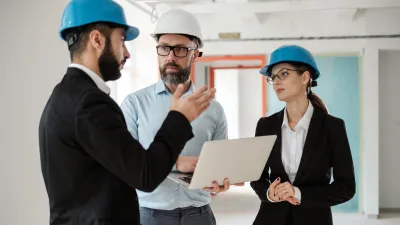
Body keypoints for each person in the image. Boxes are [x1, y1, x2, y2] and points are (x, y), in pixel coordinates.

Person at [38, 1, 216, 225]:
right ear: (97, 40)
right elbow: (145, 174)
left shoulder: (65, 95)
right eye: (121, 40)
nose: (127, 53)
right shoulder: (89, 103)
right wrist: (179, 118)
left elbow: (128, 166)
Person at [120, 9, 242, 225]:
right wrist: (177, 163)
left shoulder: (213, 109)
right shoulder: (135, 104)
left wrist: (221, 183)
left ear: (195, 54)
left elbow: (220, 165)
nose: (170, 57)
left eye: (180, 50)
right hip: (150, 215)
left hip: (200, 214)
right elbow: (126, 165)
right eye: (164, 48)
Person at [250, 45, 356, 225]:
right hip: (270, 218)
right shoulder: (265, 125)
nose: (276, 82)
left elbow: (345, 187)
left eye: (283, 74)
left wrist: (298, 193)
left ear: (305, 77)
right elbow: (256, 176)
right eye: (273, 77)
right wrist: (270, 193)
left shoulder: (333, 127)